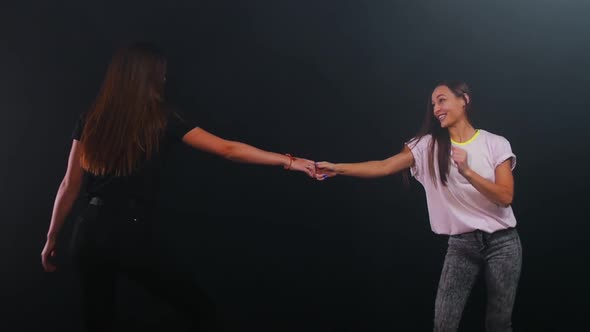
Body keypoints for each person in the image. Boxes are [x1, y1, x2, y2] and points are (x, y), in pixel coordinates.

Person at [40, 42, 316, 331]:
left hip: (88, 230)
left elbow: (69, 184)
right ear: (148, 76)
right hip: (130, 231)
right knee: (199, 310)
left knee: (98, 320)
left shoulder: (91, 118)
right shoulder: (162, 117)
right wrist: (288, 161)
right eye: (160, 72)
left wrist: (52, 237)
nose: (164, 78)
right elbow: (227, 149)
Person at [314, 81, 522, 332]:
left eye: (442, 100)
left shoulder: (495, 143)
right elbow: (384, 166)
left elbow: (505, 197)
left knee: (498, 323)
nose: (436, 108)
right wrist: (338, 168)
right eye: (433, 104)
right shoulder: (426, 146)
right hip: (462, 245)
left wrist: (467, 172)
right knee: (444, 324)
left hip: (503, 243)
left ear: (464, 99)